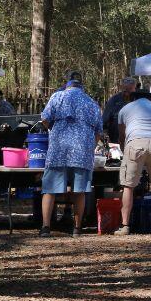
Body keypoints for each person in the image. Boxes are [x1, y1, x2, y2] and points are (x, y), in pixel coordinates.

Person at [39, 77, 103, 236]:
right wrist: (90, 147)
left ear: (66, 85)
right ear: (82, 87)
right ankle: (77, 228)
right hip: (82, 152)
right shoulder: (91, 103)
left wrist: (53, 129)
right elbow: (99, 131)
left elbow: (44, 119)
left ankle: (46, 228)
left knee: (49, 189)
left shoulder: (57, 96)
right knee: (79, 191)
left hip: (58, 150)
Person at [116, 91, 151, 235]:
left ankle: (125, 226)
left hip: (135, 143)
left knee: (128, 186)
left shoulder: (125, 109)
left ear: (133, 98)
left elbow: (122, 134)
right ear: (150, 98)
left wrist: (123, 149)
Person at [102, 78, 138, 144]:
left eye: (130, 90)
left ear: (134, 89)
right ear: (121, 88)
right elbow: (104, 121)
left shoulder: (138, 101)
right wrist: (106, 136)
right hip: (115, 140)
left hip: (134, 140)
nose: (127, 94)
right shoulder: (114, 100)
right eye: (125, 90)